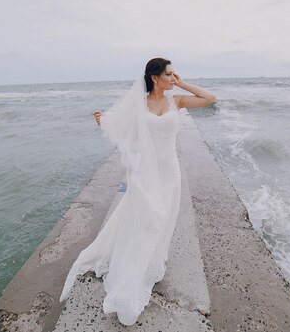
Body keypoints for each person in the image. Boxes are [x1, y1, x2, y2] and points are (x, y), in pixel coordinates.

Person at [59, 57, 215, 325]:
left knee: (162, 220)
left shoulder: (176, 101)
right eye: (168, 74)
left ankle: (151, 262)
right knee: (145, 220)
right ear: (154, 77)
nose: (173, 77)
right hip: (144, 173)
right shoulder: (138, 104)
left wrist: (182, 82)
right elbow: (120, 127)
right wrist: (102, 121)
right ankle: (131, 273)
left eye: (173, 74)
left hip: (169, 173)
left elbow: (209, 98)